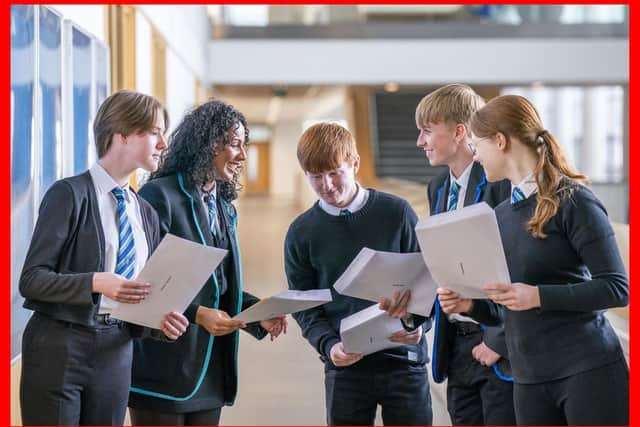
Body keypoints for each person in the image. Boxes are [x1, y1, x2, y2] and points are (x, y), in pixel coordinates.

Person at [438, 94, 629, 425]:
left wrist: (538, 295)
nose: (477, 156)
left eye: (478, 144)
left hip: (586, 370)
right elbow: (504, 308)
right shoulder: (498, 216)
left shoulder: (574, 200)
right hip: (527, 378)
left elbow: (616, 288)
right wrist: (469, 305)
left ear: (500, 141)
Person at [19, 90, 189, 426]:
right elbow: (32, 280)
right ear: (122, 134)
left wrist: (161, 324)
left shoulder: (145, 212)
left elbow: (143, 292)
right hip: (59, 348)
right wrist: (97, 282)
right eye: (155, 131)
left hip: (116, 352)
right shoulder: (69, 194)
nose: (163, 143)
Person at [128, 100, 287, 426]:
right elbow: (140, 285)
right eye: (234, 144)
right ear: (207, 142)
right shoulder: (159, 196)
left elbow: (218, 284)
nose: (242, 156)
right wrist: (197, 315)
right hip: (164, 368)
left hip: (210, 369)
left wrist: (258, 313)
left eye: (244, 146)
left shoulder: (225, 207)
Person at [285, 122, 432, 426]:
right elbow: (304, 305)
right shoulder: (301, 233)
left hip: (404, 361)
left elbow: (426, 281)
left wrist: (419, 325)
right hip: (345, 364)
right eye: (315, 177)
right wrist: (328, 346)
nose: (326, 185)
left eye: (334, 173)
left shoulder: (397, 213)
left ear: (354, 164)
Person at [396, 84, 515, 426]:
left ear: (460, 131)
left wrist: (500, 342)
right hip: (455, 346)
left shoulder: (501, 185)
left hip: (495, 341)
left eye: (428, 131)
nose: (420, 142)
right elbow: (444, 265)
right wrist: (412, 314)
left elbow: (523, 265)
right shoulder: (438, 188)